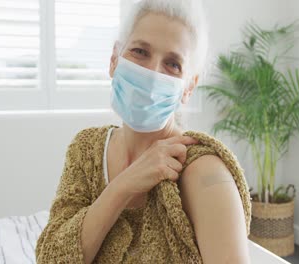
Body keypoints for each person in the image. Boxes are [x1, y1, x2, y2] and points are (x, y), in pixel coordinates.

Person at [36, 1, 251, 263]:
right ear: (114, 59)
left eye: (172, 64)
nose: (151, 74)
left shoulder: (204, 170)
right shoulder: (86, 149)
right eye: (140, 51)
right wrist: (123, 186)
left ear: (188, 88)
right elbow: (51, 257)